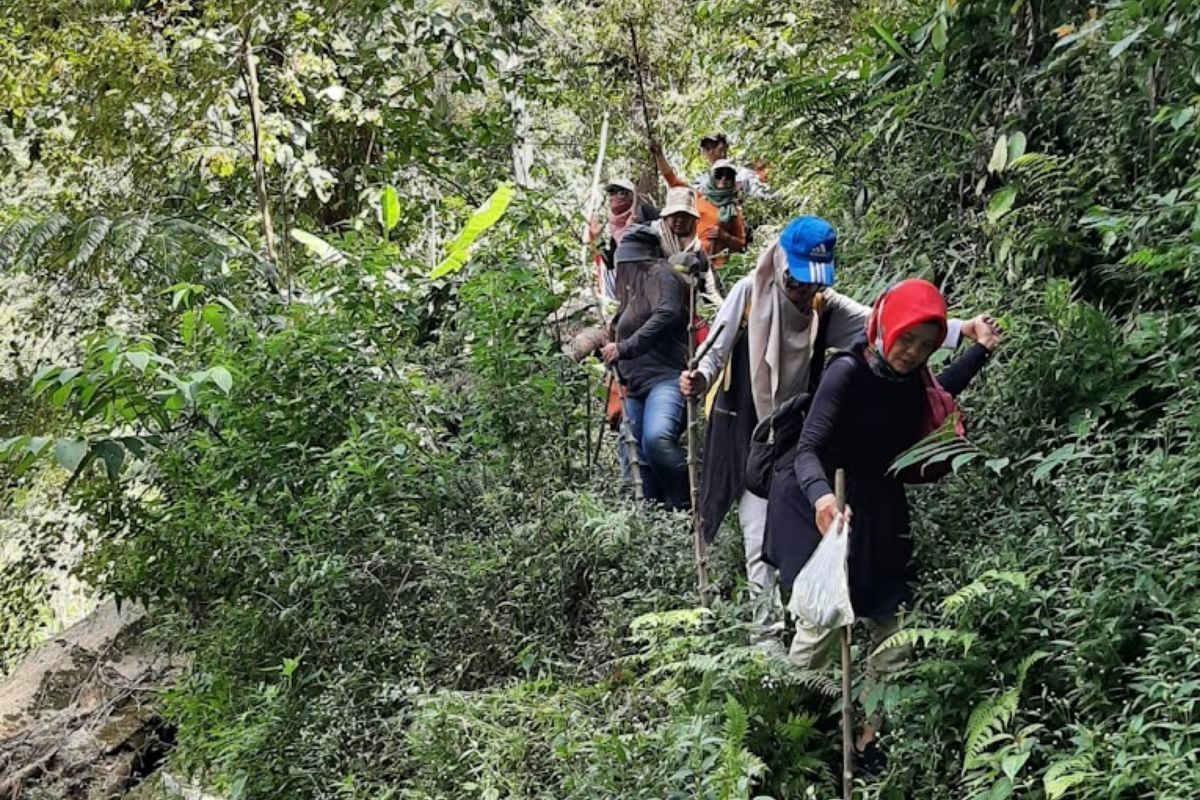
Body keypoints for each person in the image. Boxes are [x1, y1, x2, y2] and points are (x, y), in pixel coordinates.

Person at [678, 216, 994, 642]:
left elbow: (884, 324)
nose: (804, 292)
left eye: (814, 283)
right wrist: (699, 378)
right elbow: (714, 350)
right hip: (745, 428)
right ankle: (766, 637)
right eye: (798, 282)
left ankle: (801, 623)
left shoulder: (823, 308)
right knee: (756, 530)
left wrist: (961, 330)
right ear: (781, 264)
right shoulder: (750, 293)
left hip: (793, 430)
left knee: (791, 529)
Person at [765, 277, 1000, 764]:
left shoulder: (911, 380)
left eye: (925, 346)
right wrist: (823, 500)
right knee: (821, 624)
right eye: (906, 339)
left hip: (879, 506)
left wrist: (979, 351)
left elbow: (939, 394)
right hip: (821, 499)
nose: (913, 353)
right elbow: (808, 449)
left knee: (894, 630)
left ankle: (869, 740)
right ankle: (788, 738)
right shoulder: (846, 373)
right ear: (885, 326)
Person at [600, 225, 690, 509]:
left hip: (666, 379)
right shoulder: (634, 295)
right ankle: (651, 519)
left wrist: (624, 348)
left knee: (656, 439)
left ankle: (687, 506)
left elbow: (667, 312)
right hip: (635, 387)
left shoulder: (660, 274)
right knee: (635, 452)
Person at [652, 149, 747, 269]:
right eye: (719, 175)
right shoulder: (697, 198)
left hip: (716, 265)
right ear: (712, 177)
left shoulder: (733, 211)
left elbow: (741, 245)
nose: (723, 179)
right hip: (688, 258)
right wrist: (659, 155)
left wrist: (724, 236)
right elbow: (673, 181)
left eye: (728, 176)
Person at [588, 178, 658, 304]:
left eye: (621, 193)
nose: (614, 197)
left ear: (631, 196)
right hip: (629, 287)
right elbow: (611, 263)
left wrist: (638, 228)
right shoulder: (616, 230)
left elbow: (661, 235)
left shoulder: (644, 211)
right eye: (611, 193)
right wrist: (597, 239)